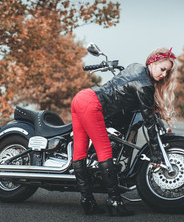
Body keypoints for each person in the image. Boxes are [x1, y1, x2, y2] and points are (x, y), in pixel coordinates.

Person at [71, 47, 177, 216]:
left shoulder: (136, 67)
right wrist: (156, 154)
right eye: (162, 69)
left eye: (167, 72)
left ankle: (87, 202)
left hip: (82, 97)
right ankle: (115, 202)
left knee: (80, 151)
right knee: (104, 151)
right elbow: (149, 122)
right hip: (92, 104)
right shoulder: (145, 86)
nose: (163, 75)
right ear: (152, 62)